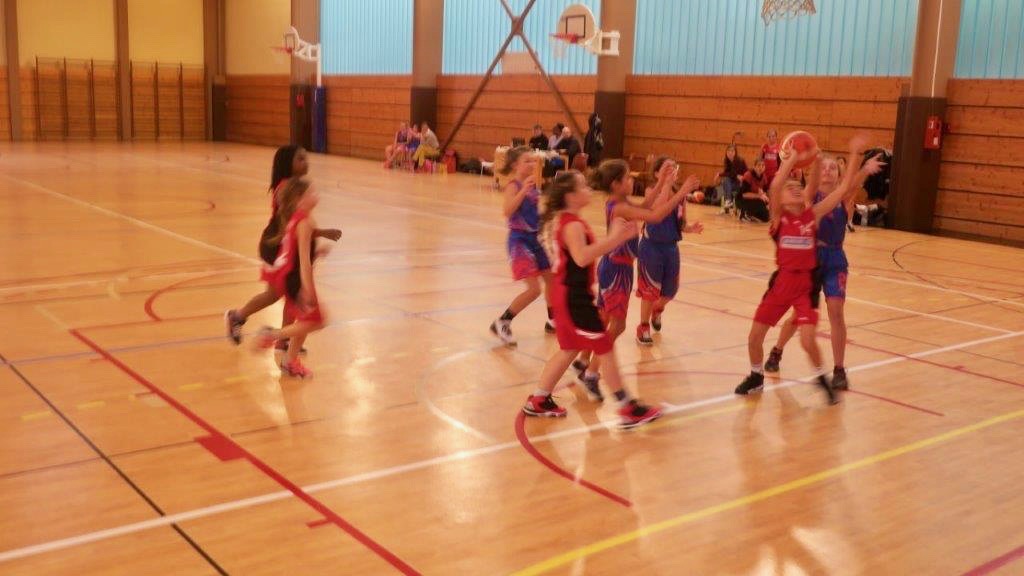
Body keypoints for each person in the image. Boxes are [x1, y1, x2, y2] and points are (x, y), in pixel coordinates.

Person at [734, 134, 880, 405]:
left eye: (797, 188)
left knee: (808, 340)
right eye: (790, 188)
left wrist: (853, 155)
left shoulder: (812, 215)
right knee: (754, 337)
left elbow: (844, 188)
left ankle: (822, 378)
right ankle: (756, 376)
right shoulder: (779, 218)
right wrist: (792, 161)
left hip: (805, 285)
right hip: (781, 283)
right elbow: (776, 184)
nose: (795, 190)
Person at [522, 170, 662, 429]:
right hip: (573, 297)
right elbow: (582, 257)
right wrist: (616, 239)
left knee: (569, 349)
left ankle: (539, 399)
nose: (588, 189)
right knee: (604, 347)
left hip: (568, 294)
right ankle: (627, 407)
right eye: (583, 186)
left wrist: (615, 239)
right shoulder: (572, 225)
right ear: (571, 196)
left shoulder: (570, 220)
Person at [573, 159, 695, 401]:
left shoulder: (620, 203)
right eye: (627, 177)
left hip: (615, 268)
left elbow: (646, 207)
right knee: (617, 326)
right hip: (617, 271)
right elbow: (655, 216)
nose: (632, 180)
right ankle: (592, 375)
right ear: (616, 184)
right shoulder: (620, 207)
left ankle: (583, 360)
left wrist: (662, 183)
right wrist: (681, 192)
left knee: (604, 318)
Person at [763, 151, 886, 390]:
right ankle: (777, 350)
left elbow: (851, 184)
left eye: (833, 167)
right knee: (798, 317)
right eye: (824, 167)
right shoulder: (809, 198)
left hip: (835, 259)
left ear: (839, 174)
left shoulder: (844, 197)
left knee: (836, 311)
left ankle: (839, 369)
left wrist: (864, 168)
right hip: (811, 261)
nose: (828, 170)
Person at [224, 146, 340, 351]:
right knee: (286, 292)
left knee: (284, 293)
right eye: (300, 159)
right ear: (288, 164)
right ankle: (253, 324)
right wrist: (319, 233)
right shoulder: (286, 188)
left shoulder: (294, 186)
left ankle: (277, 336)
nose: (306, 162)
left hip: (283, 244)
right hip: (275, 245)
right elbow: (292, 225)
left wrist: (318, 234)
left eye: (305, 157)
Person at [252, 178, 329, 378]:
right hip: (295, 279)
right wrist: (307, 288)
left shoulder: (297, 218)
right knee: (318, 321)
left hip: (288, 276)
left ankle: (290, 361)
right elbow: (303, 261)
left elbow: (295, 252)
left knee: (305, 320)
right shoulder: (305, 223)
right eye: (312, 192)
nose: (316, 195)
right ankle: (273, 335)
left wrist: (317, 252)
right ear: (299, 199)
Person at [489, 146, 555, 346]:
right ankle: (502, 321)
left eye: (533, 160)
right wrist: (523, 191)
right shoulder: (514, 185)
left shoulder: (533, 185)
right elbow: (507, 211)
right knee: (534, 290)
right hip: (519, 241)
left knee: (552, 279)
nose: (532, 164)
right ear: (515, 165)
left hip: (535, 239)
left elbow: (533, 214)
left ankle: (553, 321)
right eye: (527, 161)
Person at [635, 156, 704, 346]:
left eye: (674, 168)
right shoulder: (651, 191)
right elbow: (657, 209)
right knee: (649, 291)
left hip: (671, 248)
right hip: (651, 247)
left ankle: (657, 309)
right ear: (657, 173)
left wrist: (690, 228)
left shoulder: (681, 196)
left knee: (671, 291)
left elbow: (680, 222)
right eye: (667, 169)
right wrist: (671, 187)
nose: (672, 171)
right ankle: (643, 327)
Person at [737, 157, 770, 222]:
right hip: (742, 200)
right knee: (760, 204)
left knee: (766, 218)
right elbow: (744, 195)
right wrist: (759, 196)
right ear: (754, 167)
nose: (761, 167)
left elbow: (765, 192)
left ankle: (750, 214)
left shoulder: (764, 177)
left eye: (763, 165)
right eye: (759, 165)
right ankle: (744, 213)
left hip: (755, 199)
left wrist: (768, 200)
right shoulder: (748, 175)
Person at [718, 144, 748, 214]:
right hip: (734, 182)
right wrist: (720, 175)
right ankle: (728, 203)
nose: (730, 153)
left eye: (732, 151)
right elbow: (728, 173)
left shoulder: (739, 161)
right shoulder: (727, 160)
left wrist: (720, 174)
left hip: (742, 184)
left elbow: (732, 174)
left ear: (735, 152)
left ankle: (728, 202)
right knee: (725, 181)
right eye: (728, 151)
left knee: (726, 182)